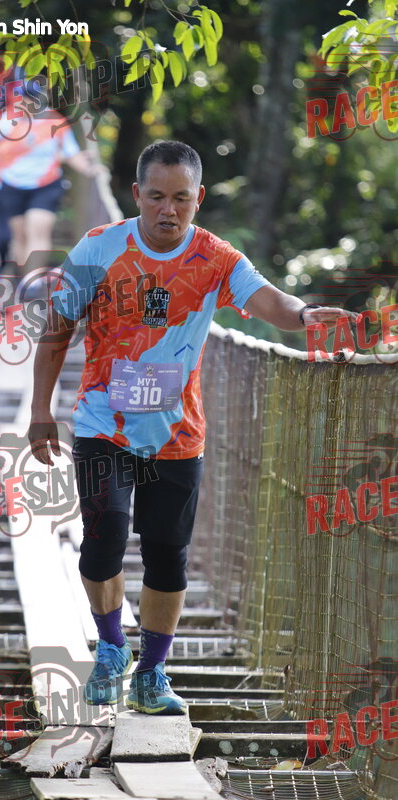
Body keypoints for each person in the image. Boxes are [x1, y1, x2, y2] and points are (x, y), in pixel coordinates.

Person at [28, 141, 357, 715]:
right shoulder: (99, 248)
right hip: (104, 425)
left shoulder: (215, 258)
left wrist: (304, 315)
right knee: (103, 542)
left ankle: (152, 673)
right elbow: (56, 330)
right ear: (137, 195)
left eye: (181, 198)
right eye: (156, 196)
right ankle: (111, 646)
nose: (168, 210)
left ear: (198, 198)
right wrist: (39, 411)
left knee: (167, 556)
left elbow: (270, 302)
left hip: (177, 435)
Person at [0, 101, 99, 270]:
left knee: (38, 228)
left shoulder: (55, 122)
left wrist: (90, 170)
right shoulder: (7, 120)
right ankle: (23, 275)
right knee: (19, 236)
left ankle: (33, 278)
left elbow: (71, 153)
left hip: (46, 185)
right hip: (12, 186)